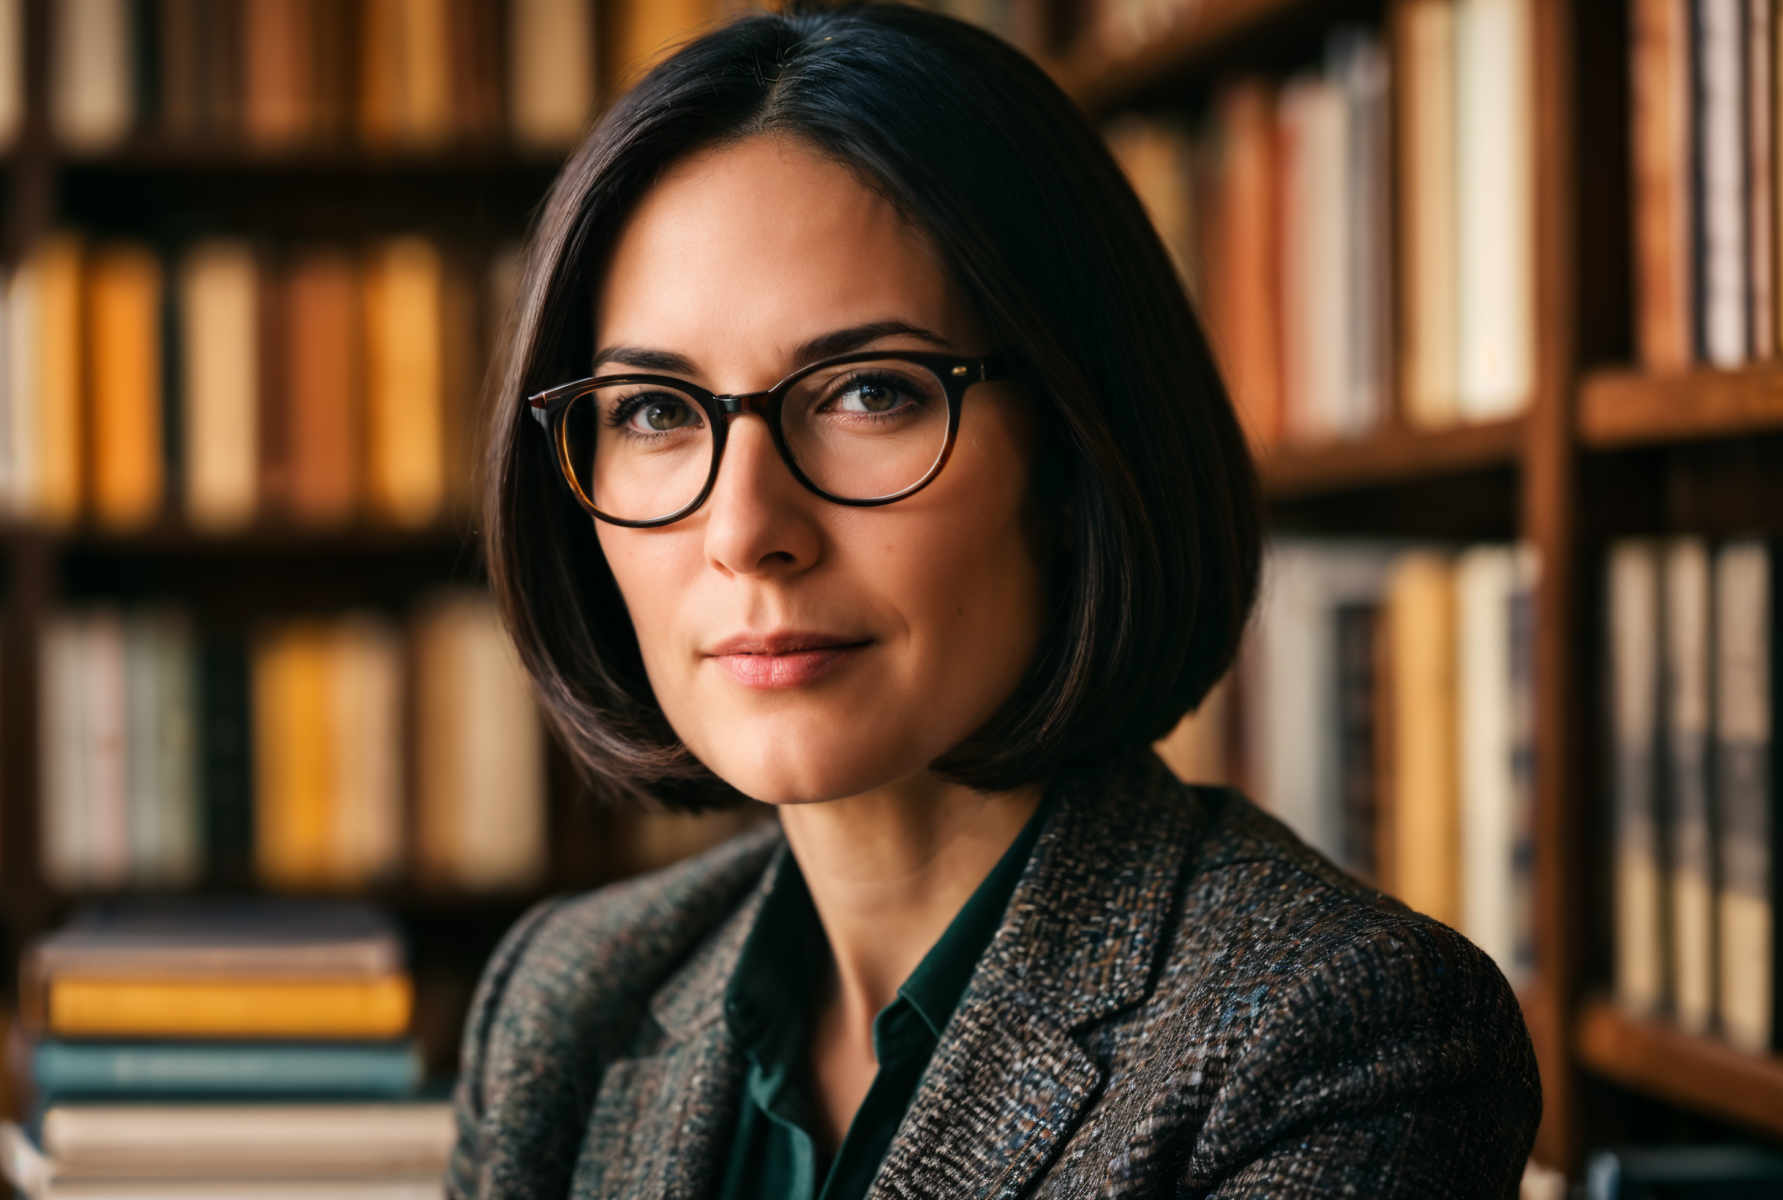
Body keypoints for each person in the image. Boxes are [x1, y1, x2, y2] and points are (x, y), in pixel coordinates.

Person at [451, 5, 1541, 1197]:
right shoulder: (562, 1000)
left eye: (869, 392)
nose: (745, 534)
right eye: (654, 412)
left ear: (1075, 450)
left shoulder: (1336, 1035)